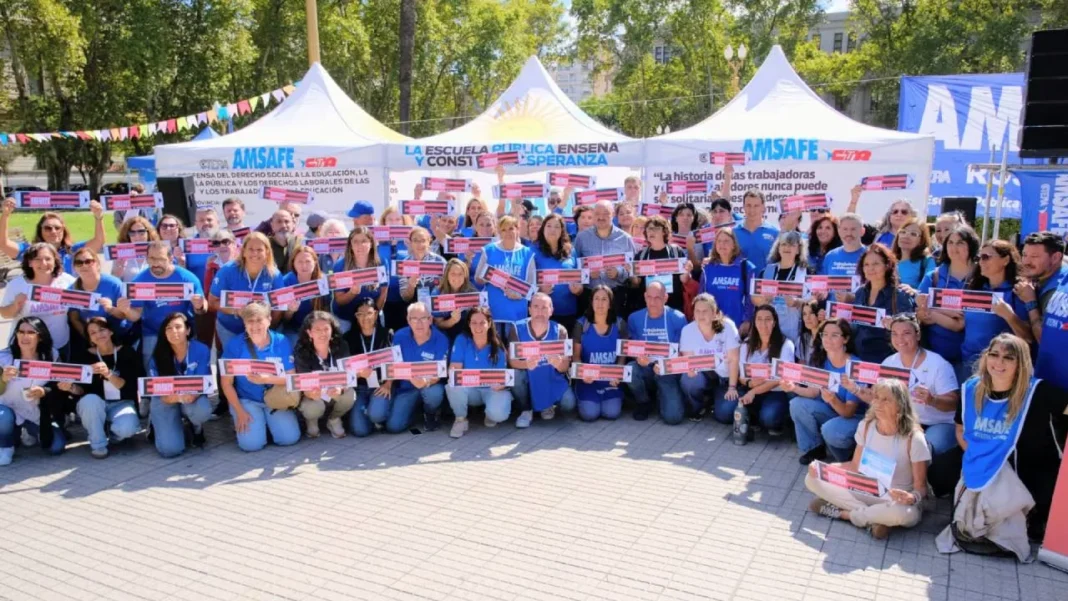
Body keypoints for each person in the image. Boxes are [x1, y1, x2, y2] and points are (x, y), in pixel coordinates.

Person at [940, 334, 1068, 556]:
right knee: (939, 471)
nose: (999, 363)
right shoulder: (971, 388)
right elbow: (960, 430)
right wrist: (978, 459)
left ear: (1021, 363)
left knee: (1041, 497)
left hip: (1027, 468)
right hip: (979, 458)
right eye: (994, 355)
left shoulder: (1038, 391)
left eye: (1009, 358)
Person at [806, 378, 930, 540]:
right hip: (863, 489)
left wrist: (912, 497)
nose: (878, 403)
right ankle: (874, 520)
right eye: (876, 398)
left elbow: (921, 487)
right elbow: (854, 466)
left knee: (906, 514)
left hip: (893, 499)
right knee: (811, 478)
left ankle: (845, 514)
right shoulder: (866, 426)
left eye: (886, 400)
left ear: (900, 405)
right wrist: (824, 469)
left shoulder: (914, 438)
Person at [842, 314, 959, 456]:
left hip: (937, 423)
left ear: (918, 335)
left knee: (924, 448)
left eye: (906, 333)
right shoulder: (889, 363)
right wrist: (855, 389)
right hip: (904, 420)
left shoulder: (938, 364)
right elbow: (876, 398)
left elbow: (954, 403)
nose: (900, 339)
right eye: (895, 334)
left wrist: (932, 400)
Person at [220, 301, 300, 452]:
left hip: (274, 397)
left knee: (289, 439)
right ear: (244, 323)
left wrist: (267, 379)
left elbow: (292, 379)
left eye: (259, 320)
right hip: (247, 399)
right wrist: (239, 411)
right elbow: (226, 383)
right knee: (250, 445)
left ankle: (267, 425)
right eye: (250, 321)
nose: (255, 325)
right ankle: (258, 425)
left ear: (269, 320)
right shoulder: (234, 344)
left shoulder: (281, 341)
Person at [950, 240, 1032, 384]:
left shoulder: (1017, 292)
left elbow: (1028, 338)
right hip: (967, 365)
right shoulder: (976, 290)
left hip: (999, 369)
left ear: (1006, 260)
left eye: (986, 257)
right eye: (979, 258)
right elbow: (962, 324)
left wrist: (1009, 316)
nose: (981, 262)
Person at [788, 318, 866, 465]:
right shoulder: (820, 359)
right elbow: (812, 392)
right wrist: (793, 388)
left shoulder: (856, 366)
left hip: (853, 417)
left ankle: (849, 458)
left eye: (834, 335)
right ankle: (815, 448)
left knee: (831, 431)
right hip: (831, 411)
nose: (828, 339)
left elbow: (849, 412)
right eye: (825, 334)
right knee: (796, 404)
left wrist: (832, 400)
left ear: (846, 339)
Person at [126, 241, 207, 371]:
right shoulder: (139, 281)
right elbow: (136, 315)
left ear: (170, 258)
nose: (155, 263)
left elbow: (203, 307)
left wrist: (200, 305)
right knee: (151, 370)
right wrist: (126, 310)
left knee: (187, 369)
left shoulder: (187, 278)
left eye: (160, 259)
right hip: (153, 332)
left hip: (181, 331)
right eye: (151, 258)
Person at [0, 317, 69, 464]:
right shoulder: (4, 357)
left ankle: (29, 432)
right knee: (2, 416)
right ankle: (6, 446)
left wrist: (44, 391)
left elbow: (57, 386)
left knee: (56, 447)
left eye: (31, 332)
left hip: (36, 411)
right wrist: (3, 379)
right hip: (8, 409)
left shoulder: (52, 355)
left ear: (40, 336)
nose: (25, 336)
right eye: (21, 332)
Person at [73, 317, 143, 459]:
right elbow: (80, 391)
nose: (98, 334)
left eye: (102, 329)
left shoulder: (127, 352)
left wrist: (109, 374)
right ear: (90, 338)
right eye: (93, 333)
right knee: (90, 401)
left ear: (110, 331)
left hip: (122, 402)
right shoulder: (83, 356)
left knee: (127, 429)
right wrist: (70, 388)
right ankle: (98, 445)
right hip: (95, 404)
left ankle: (111, 435)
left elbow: (130, 387)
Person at [147, 312, 212, 457]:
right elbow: (158, 392)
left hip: (192, 397)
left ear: (187, 330)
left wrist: (191, 396)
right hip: (166, 399)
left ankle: (196, 427)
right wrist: (177, 398)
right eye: (168, 328)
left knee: (202, 410)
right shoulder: (157, 355)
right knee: (170, 450)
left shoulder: (201, 349)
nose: (174, 331)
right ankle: (160, 424)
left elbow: (203, 382)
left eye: (178, 327)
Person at [507, 293, 575, 427]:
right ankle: (526, 409)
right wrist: (525, 364)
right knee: (514, 375)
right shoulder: (516, 328)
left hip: (550, 376)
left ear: (551, 311)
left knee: (569, 403)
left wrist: (558, 363)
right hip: (528, 376)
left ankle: (547, 405)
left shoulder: (560, 331)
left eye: (544, 307)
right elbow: (512, 361)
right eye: (536, 307)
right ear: (529, 309)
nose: (540, 311)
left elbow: (565, 366)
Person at [209, 232, 285, 351]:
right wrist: (235, 310)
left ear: (267, 252)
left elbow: (279, 307)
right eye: (251, 249)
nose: (255, 253)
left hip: (261, 329)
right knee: (235, 363)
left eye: (260, 249)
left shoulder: (274, 274)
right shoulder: (227, 271)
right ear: (243, 251)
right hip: (230, 328)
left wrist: (267, 326)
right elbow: (212, 301)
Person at [624, 281, 688, 423]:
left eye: (657, 298)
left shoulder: (678, 318)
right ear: (645, 297)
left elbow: (682, 352)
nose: (652, 302)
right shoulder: (634, 318)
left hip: (668, 371)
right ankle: (643, 402)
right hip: (645, 367)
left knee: (673, 418)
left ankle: (663, 396)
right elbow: (632, 347)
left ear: (665, 298)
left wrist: (666, 365)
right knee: (630, 370)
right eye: (649, 297)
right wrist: (637, 357)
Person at [917, 225, 977, 372]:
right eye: (950, 242)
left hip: (973, 358)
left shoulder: (982, 277)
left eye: (960, 243)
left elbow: (963, 321)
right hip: (935, 354)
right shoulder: (934, 276)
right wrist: (947, 312)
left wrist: (933, 310)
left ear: (972, 245)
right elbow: (921, 314)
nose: (954, 247)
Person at [446, 307, 512, 438]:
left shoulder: (497, 345)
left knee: (498, 415)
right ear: (469, 324)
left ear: (489, 323)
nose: (478, 326)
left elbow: (503, 377)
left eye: (482, 322)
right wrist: (453, 374)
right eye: (474, 322)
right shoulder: (462, 340)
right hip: (470, 390)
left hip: (491, 389)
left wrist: (501, 385)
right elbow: (455, 367)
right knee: (452, 384)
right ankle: (460, 419)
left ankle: (490, 413)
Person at [733, 305, 795, 443]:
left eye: (768, 319)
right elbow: (741, 375)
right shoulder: (746, 344)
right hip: (750, 388)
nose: (763, 323)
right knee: (726, 411)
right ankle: (753, 419)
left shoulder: (786, 345)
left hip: (776, 391)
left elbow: (780, 379)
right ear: (754, 322)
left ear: (775, 322)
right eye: (759, 319)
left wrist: (754, 391)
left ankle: (778, 420)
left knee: (769, 417)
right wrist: (749, 383)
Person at [1, 243, 76, 357]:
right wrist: (15, 305)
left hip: (60, 344)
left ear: (55, 261)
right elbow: (4, 314)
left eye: (48, 259)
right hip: (27, 348)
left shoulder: (67, 281)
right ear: (30, 262)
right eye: (38, 259)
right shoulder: (17, 285)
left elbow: (83, 303)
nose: (44, 263)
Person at [0, 196, 106, 274]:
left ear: (64, 230)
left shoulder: (74, 250)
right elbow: (3, 244)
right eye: (48, 228)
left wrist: (98, 217)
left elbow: (99, 241)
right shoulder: (30, 251)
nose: (53, 231)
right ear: (40, 230)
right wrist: (5, 215)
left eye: (57, 228)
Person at [293, 311, 355, 439]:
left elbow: (349, 374)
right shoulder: (301, 350)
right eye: (317, 329)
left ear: (332, 330)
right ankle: (312, 421)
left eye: (326, 329)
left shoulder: (342, 346)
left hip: (334, 391)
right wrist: (309, 392)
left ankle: (333, 419)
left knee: (349, 395)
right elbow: (302, 382)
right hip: (314, 396)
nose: (322, 333)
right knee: (313, 406)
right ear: (309, 333)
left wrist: (341, 387)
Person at [681, 293, 741, 424]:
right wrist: (690, 370)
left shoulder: (728, 327)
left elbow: (734, 359)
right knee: (689, 380)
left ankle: (718, 401)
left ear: (714, 313)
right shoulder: (687, 330)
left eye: (705, 311)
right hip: (703, 376)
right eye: (697, 311)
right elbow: (689, 360)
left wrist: (732, 387)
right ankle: (699, 406)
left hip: (725, 378)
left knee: (725, 415)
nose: (701, 315)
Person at [389, 302, 449, 433]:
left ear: (430, 320)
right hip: (406, 387)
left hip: (430, 385)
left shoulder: (441, 339)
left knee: (434, 394)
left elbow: (441, 371)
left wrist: (426, 381)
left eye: (423, 318)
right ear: (408, 320)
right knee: (394, 426)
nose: (419, 323)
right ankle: (414, 414)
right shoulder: (399, 336)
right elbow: (394, 364)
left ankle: (431, 413)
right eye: (414, 319)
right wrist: (409, 378)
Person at [850, 244, 915, 363]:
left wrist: (894, 326)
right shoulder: (860, 293)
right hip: (860, 360)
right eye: (866, 264)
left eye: (876, 264)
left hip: (888, 361)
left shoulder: (900, 295)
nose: (870, 268)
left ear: (887, 265)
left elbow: (911, 329)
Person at [572, 286, 628, 422]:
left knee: (612, 413)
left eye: (604, 299)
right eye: (596, 299)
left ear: (610, 303)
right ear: (591, 302)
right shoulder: (581, 324)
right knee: (589, 415)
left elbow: (623, 355)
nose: (600, 303)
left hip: (610, 381)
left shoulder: (620, 324)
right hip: (588, 381)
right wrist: (582, 374)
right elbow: (576, 356)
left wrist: (618, 374)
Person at [574, 200, 636, 316]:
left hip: (616, 295)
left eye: (606, 213)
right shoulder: (581, 238)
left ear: (613, 214)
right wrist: (586, 273)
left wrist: (619, 272)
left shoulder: (625, 238)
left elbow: (632, 267)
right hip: (589, 295)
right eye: (597, 214)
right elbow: (574, 266)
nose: (601, 217)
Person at [344, 299, 394, 437]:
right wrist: (359, 374)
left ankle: (377, 414)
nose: (365, 317)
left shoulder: (387, 334)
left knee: (377, 415)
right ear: (356, 317)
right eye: (360, 314)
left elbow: (394, 362)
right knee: (360, 431)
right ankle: (369, 413)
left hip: (381, 385)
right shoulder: (348, 338)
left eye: (369, 313)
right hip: (358, 387)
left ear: (376, 314)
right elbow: (344, 369)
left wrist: (388, 384)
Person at [475, 216, 536, 326]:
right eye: (504, 229)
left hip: (517, 312)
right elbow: (478, 279)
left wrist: (519, 295)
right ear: (499, 232)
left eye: (511, 228)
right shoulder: (489, 250)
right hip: (492, 311)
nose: (508, 232)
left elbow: (532, 287)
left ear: (517, 230)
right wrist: (487, 276)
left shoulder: (527, 253)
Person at [629, 216, 696, 314]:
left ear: (664, 232)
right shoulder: (641, 255)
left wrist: (687, 270)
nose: (651, 231)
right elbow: (636, 283)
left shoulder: (676, 251)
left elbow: (683, 280)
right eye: (648, 228)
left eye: (655, 228)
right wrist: (631, 272)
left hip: (673, 306)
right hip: (649, 307)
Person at [68, 247, 131, 347]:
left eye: (88, 261)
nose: (84, 265)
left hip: (118, 334)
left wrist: (111, 309)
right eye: (79, 262)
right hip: (91, 336)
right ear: (74, 268)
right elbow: (74, 318)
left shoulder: (114, 284)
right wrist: (89, 337)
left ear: (97, 264)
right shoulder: (72, 290)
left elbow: (125, 315)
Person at [752, 231, 807, 342]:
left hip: (794, 329)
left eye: (792, 245)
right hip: (768, 329)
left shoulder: (806, 272)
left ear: (798, 250)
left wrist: (797, 302)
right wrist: (764, 300)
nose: (787, 248)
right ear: (778, 248)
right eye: (783, 244)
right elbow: (754, 298)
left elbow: (813, 300)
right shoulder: (767, 271)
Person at [533, 214, 583, 333]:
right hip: (542, 314)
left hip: (568, 312)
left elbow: (580, 280)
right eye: (549, 226)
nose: (552, 230)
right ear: (543, 229)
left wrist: (578, 289)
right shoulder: (532, 251)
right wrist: (539, 289)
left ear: (562, 231)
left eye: (557, 227)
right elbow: (526, 281)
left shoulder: (571, 250)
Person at [332, 226, 388, 333]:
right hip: (346, 317)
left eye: (364, 241)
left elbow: (383, 292)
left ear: (371, 244)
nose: (360, 245)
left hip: (372, 316)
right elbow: (339, 300)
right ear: (350, 245)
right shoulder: (340, 266)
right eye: (355, 242)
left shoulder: (381, 263)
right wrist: (352, 293)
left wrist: (373, 316)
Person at [700, 228, 754, 337]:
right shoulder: (708, 268)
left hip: (737, 325)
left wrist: (747, 320)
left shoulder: (746, 267)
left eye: (726, 241)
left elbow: (750, 297)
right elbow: (701, 297)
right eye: (719, 241)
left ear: (734, 244)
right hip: (712, 325)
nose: (722, 244)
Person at [1017, 231, 1068, 343]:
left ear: (1055, 258)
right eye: (1024, 255)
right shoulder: (1044, 276)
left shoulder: (1059, 290)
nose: (1026, 262)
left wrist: (1030, 302)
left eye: (1034, 256)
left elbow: (1045, 339)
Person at [280, 246, 330, 347]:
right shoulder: (286, 282)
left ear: (315, 262)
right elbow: (283, 320)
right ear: (293, 263)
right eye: (300, 262)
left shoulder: (323, 281)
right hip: (294, 328)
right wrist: (290, 311)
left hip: (318, 326)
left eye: (308, 261)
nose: (304, 266)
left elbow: (328, 310)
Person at [199, 229, 237, 350]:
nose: (221, 246)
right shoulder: (211, 266)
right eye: (216, 243)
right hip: (223, 320)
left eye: (225, 241)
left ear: (234, 243)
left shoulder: (245, 261)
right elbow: (207, 293)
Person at [378, 205, 413, 333]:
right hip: (383, 300)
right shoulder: (377, 244)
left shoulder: (411, 243)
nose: (394, 223)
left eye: (398, 219)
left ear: (404, 222)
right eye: (390, 220)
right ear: (384, 222)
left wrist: (411, 247)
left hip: (406, 299)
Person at [430, 259, 478, 341]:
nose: (457, 277)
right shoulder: (437, 293)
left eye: (460, 274)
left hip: (466, 328)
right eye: (453, 274)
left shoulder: (471, 290)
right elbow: (438, 324)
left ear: (465, 276)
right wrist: (453, 320)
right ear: (446, 275)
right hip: (445, 330)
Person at [733, 189, 778, 272]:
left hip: (765, 283)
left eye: (756, 206)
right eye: (748, 205)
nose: (752, 210)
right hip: (741, 283)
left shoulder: (775, 232)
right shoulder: (733, 232)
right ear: (743, 207)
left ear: (763, 207)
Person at [399, 226, 447, 303]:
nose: (420, 244)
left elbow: (448, 288)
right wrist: (411, 285)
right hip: (415, 307)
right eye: (415, 240)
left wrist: (442, 286)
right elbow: (406, 297)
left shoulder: (440, 261)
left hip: (437, 304)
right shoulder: (404, 264)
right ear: (410, 243)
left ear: (429, 242)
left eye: (423, 240)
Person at [891, 218, 934, 292]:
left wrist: (913, 291)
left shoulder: (927, 261)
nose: (906, 236)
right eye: (903, 232)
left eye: (913, 234)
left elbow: (930, 291)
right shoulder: (889, 261)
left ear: (921, 240)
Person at [112, 216, 159, 282]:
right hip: (130, 291)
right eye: (132, 233)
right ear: (127, 236)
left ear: (148, 233)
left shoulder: (158, 252)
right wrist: (120, 268)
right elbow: (114, 282)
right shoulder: (121, 254)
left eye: (141, 232)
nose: (137, 236)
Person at [819, 213, 866, 277]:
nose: (849, 233)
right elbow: (823, 283)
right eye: (845, 229)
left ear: (862, 231)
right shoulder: (830, 256)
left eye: (853, 229)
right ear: (839, 231)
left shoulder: (869, 255)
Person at [185, 207, 220, 284]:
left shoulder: (228, 242)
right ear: (196, 224)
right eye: (201, 220)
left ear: (218, 222)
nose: (206, 223)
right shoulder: (187, 245)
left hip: (221, 292)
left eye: (209, 220)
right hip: (197, 293)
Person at [264, 209, 299, 275]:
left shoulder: (300, 243)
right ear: (272, 225)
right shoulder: (264, 244)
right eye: (279, 222)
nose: (283, 226)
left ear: (293, 224)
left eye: (287, 221)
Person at [796, 299, 822, 365]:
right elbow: (801, 365)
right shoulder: (803, 339)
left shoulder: (827, 339)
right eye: (804, 314)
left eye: (811, 313)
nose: (807, 317)